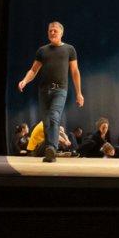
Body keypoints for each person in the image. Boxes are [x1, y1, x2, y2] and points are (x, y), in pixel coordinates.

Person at [16, 21, 84, 163]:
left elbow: (75, 71)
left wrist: (79, 93)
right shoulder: (42, 51)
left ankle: (52, 149)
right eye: (50, 31)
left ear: (61, 33)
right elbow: (33, 70)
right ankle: (46, 150)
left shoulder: (69, 50)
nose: (52, 33)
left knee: (54, 116)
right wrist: (24, 81)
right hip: (43, 91)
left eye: (55, 30)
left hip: (60, 90)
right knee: (47, 123)